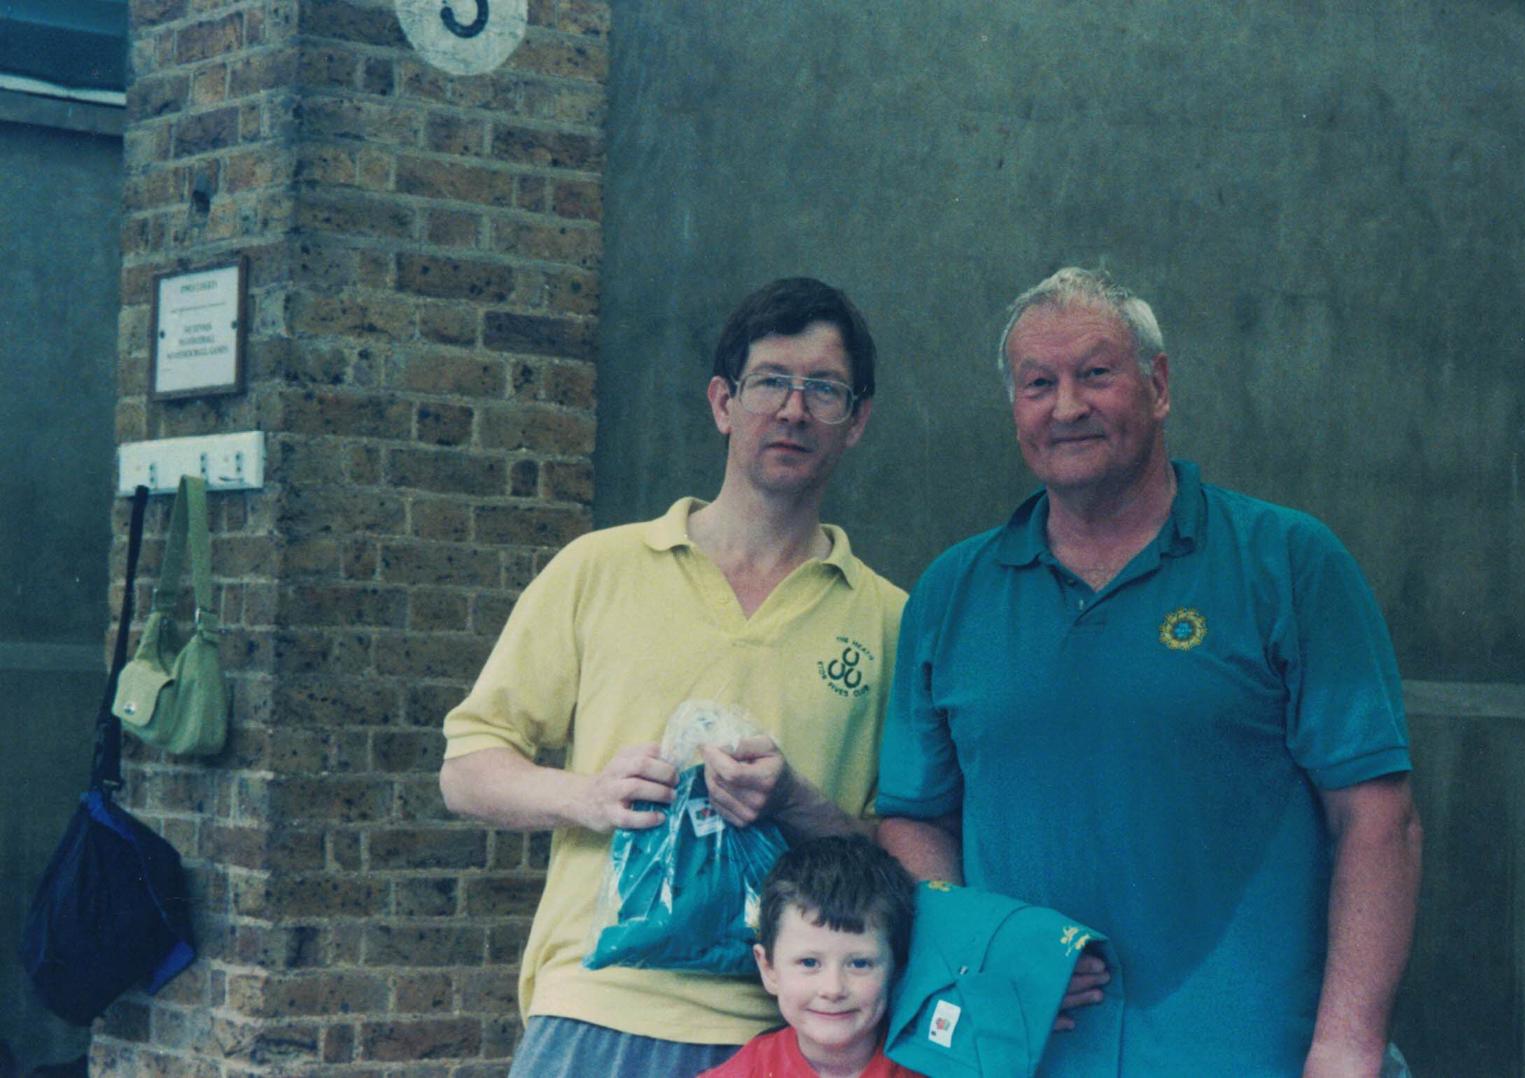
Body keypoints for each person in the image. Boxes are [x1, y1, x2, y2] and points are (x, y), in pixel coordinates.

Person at [876, 267, 1423, 1076]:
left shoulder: (1289, 563)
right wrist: (989, 962)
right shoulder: (951, 593)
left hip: (1252, 1051)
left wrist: (1347, 1045)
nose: (1066, 407)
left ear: (1158, 385)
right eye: (1038, 384)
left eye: (1096, 374)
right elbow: (914, 818)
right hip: (1029, 1058)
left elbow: (1378, 820)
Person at [441, 278, 908, 1077]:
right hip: (597, 1009)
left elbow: (899, 861)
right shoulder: (600, 568)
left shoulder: (891, 620)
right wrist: (588, 796)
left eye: (823, 390)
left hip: (790, 1033)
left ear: (857, 420)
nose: (793, 411)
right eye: (770, 382)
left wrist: (796, 801)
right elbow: (466, 771)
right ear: (724, 402)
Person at [700, 835, 923, 1078]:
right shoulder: (744, 1073)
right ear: (769, 969)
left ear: (897, 969)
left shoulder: (932, 1068)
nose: (833, 989)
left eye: (860, 963)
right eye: (809, 962)